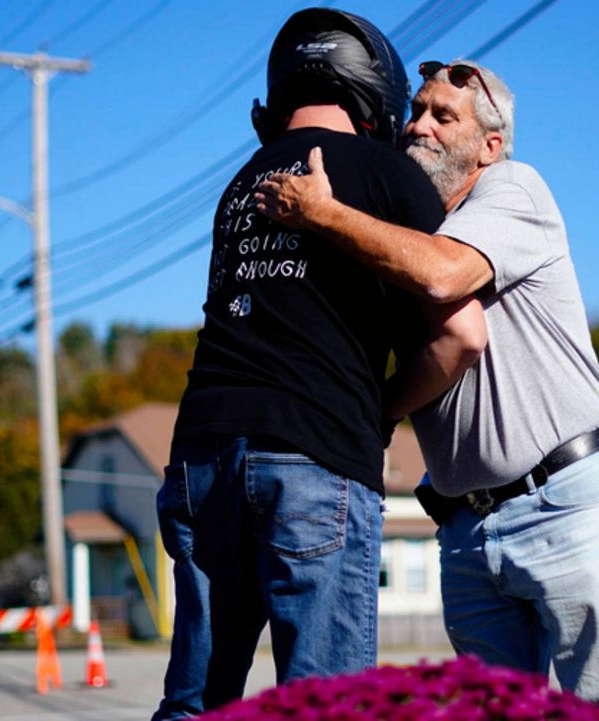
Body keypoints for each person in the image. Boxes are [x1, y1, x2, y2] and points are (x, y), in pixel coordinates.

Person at [255, 60, 599, 721]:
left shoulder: (513, 191)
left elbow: (445, 276)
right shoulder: (401, 232)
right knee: (491, 713)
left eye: (445, 116)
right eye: (416, 111)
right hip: (466, 527)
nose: (419, 126)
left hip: (563, 500)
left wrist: (322, 213)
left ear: (489, 147)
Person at [153, 13, 485, 720]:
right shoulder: (386, 171)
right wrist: (383, 411)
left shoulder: (241, 182)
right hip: (313, 454)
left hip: (201, 456)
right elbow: (461, 334)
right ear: (377, 97)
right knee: (325, 709)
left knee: (194, 704)